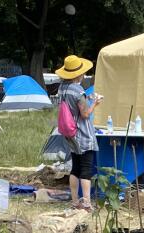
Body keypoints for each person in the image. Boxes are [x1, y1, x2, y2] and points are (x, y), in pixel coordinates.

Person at [55, 55, 100, 211]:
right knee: (86, 169)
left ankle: (75, 202)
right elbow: (85, 114)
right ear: (78, 74)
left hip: (69, 132)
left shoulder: (62, 88)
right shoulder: (77, 90)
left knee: (75, 167)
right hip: (82, 133)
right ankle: (86, 203)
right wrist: (95, 103)